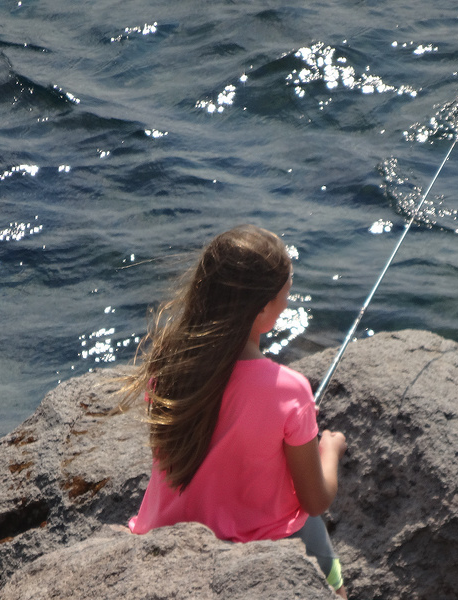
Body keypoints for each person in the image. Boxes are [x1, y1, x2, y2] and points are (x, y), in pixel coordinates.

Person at [121, 224, 349, 598]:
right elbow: (315, 499)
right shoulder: (290, 391)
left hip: (163, 534)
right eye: (284, 295)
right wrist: (328, 450)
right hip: (250, 549)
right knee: (321, 551)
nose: (287, 304)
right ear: (262, 310)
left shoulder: (166, 364)